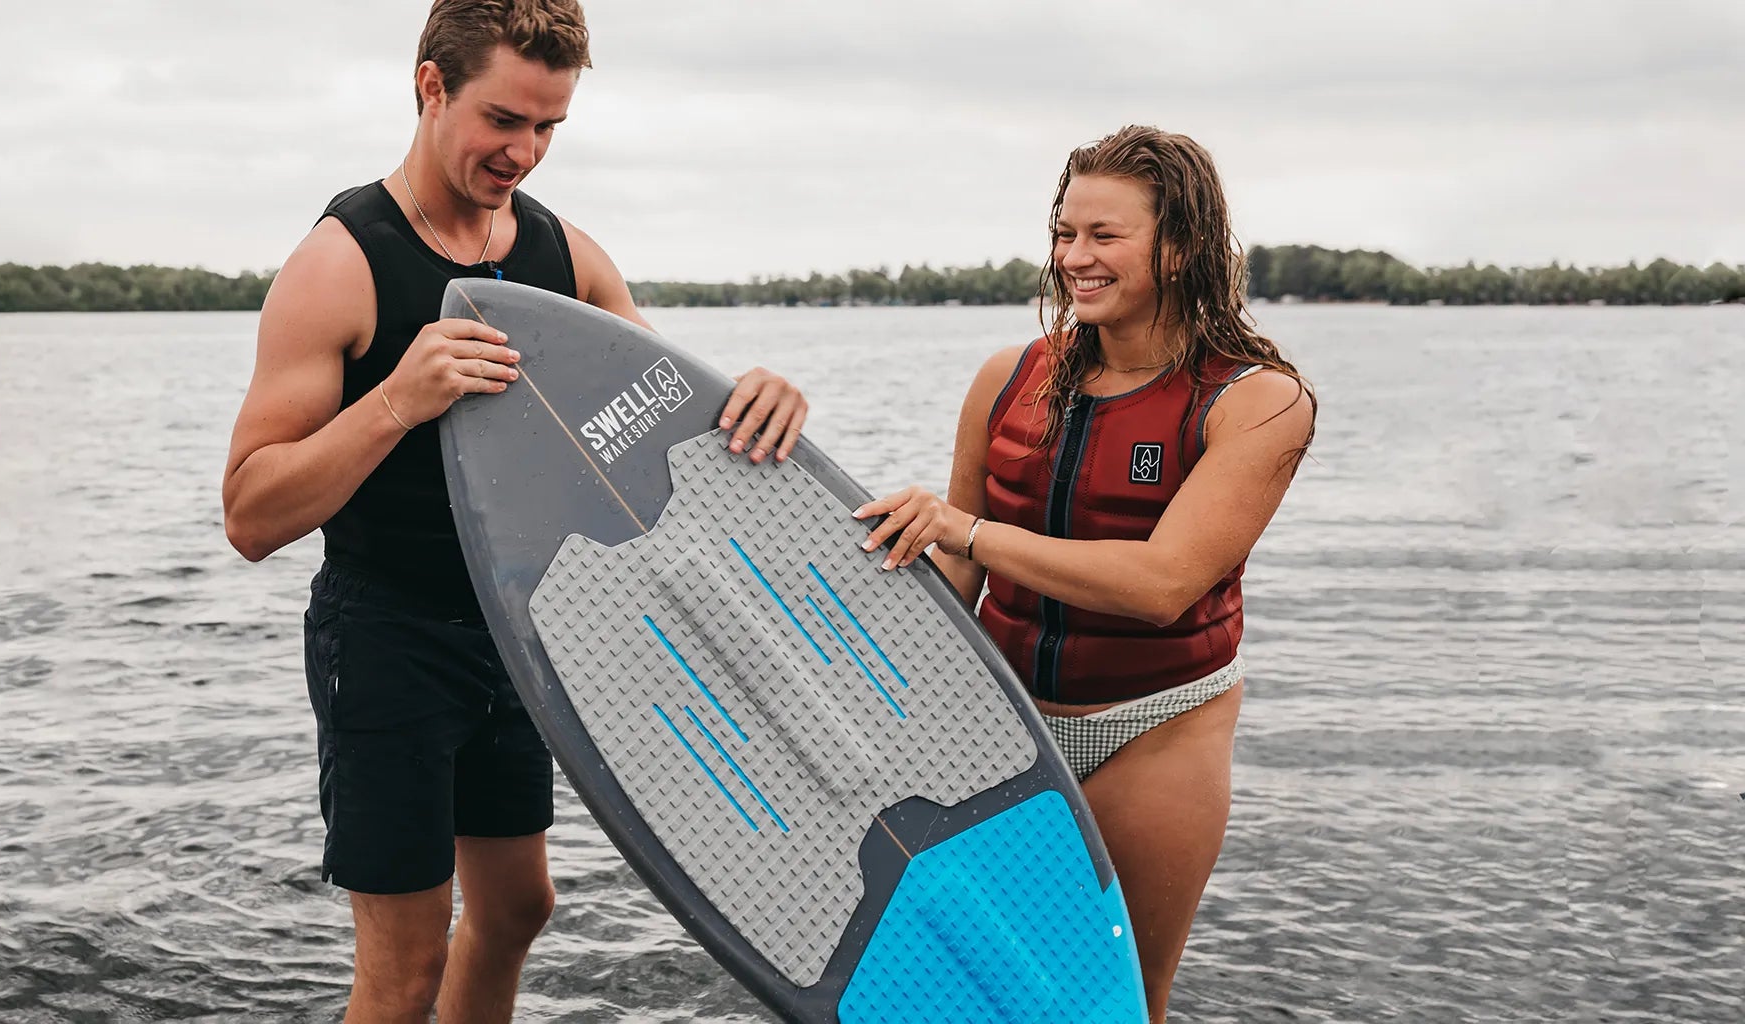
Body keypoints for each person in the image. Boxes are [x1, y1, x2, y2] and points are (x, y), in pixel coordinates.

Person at [219, 3, 808, 1021]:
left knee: (519, 904)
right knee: (403, 965)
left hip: (524, 633)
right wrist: (397, 399)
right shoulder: (341, 263)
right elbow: (250, 513)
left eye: (548, 128)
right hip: (387, 633)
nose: (524, 152)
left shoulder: (561, 256)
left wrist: (755, 401)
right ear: (429, 87)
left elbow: (670, 430)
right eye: (504, 120)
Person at [853, 125, 1316, 1023]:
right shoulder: (1007, 376)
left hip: (1155, 729)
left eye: (1105, 236)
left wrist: (969, 531)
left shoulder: (1258, 400)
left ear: (1179, 247)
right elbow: (955, 568)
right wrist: (886, 689)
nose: (1074, 257)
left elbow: (1161, 584)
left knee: (1118, 1004)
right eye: (1066, 233)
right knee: (975, 994)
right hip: (998, 724)